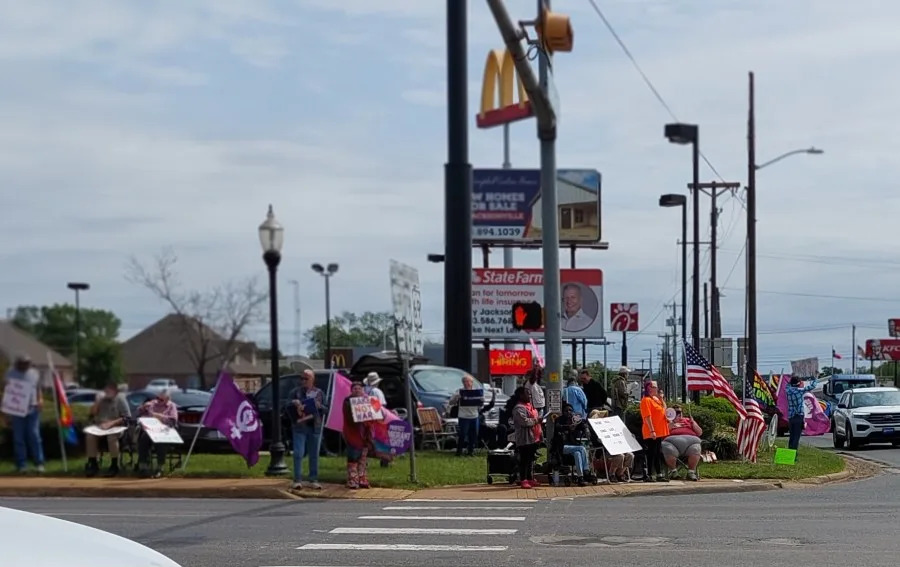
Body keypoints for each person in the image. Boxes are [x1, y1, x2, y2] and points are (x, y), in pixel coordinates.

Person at [2, 354, 45, 473]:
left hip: (32, 408)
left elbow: (38, 388)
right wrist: (5, 411)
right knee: (19, 438)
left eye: (27, 363)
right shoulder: (10, 373)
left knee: (34, 435)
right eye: (22, 363)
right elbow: (6, 390)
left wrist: (40, 399)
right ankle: (21, 464)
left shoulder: (34, 373)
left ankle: (39, 463)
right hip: (17, 409)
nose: (25, 366)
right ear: (17, 363)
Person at [288, 369, 326, 490]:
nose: (303, 381)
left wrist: (319, 406)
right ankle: (297, 480)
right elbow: (286, 406)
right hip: (300, 426)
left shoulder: (319, 393)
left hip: (315, 426)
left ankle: (313, 479)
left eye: (306, 378)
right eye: (302, 378)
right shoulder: (295, 392)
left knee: (314, 454)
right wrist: (293, 403)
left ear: (312, 380)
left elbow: (326, 409)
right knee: (298, 453)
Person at [85, 382, 131, 477]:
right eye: (105, 390)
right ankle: (93, 464)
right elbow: (92, 414)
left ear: (114, 391)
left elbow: (127, 417)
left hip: (116, 426)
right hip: (101, 426)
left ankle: (114, 465)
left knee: (111, 438)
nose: (106, 392)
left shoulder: (120, 399)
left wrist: (111, 423)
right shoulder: (102, 400)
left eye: (108, 390)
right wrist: (97, 402)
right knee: (90, 436)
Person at [136, 388, 178, 478]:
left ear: (167, 399)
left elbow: (173, 420)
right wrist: (143, 407)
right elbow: (139, 411)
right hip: (150, 429)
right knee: (143, 439)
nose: (158, 401)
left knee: (161, 442)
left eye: (161, 400)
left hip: (164, 430)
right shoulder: (152, 404)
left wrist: (161, 417)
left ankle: (160, 468)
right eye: (158, 398)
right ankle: (143, 467)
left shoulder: (171, 406)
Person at [512, 386, 542, 489]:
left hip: (534, 437)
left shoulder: (530, 406)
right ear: (521, 395)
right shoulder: (518, 408)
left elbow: (535, 417)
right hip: (525, 438)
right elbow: (524, 421)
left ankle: (530, 478)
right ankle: (523, 479)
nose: (529, 396)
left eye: (530, 394)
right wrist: (536, 421)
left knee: (530, 459)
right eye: (527, 394)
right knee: (524, 459)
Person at [342, 380, 371, 489]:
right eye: (355, 389)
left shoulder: (367, 400)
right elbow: (350, 418)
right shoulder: (347, 401)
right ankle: (353, 480)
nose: (357, 390)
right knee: (353, 456)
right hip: (352, 433)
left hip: (364, 433)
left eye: (359, 388)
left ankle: (362, 478)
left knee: (363, 457)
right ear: (351, 390)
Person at [662, 404, 703, 481]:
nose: (679, 414)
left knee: (696, 448)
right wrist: (671, 424)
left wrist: (693, 423)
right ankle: (674, 472)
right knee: (667, 447)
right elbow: (662, 433)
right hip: (672, 443)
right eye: (676, 412)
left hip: (691, 442)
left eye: (680, 412)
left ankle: (691, 472)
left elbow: (700, 432)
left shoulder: (688, 420)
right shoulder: (667, 421)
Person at [448, 374, 485, 457]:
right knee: (463, 434)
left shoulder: (477, 392)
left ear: (472, 383)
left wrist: (482, 401)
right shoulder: (459, 391)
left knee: (473, 435)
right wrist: (456, 398)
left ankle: (470, 452)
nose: (467, 383)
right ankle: (459, 452)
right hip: (463, 417)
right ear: (463, 383)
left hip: (474, 416)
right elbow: (451, 402)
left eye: (469, 381)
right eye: (465, 381)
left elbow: (480, 406)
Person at [639, 381, 669, 483]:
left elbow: (664, 409)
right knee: (651, 453)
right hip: (651, 431)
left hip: (659, 431)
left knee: (657, 452)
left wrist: (661, 398)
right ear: (649, 388)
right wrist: (652, 430)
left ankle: (659, 474)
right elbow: (647, 416)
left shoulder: (655, 399)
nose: (657, 389)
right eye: (655, 387)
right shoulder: (646, 400)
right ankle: (649, 474)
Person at [554, 403, 589, 485]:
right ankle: (586, 469)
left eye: (570, 410)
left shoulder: (575, 419)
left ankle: (581, 477)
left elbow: (583, 423)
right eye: (566, 411)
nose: (568, 412)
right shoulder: (559, 420)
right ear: (563, 412)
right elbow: (559, 427)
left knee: (577, 454)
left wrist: (586, 429)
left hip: (573, 446)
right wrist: (568, 427)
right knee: (582, 448)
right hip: (562, 446)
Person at [787, 375, 818, 450]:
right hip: (799, 416)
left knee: (792, 436)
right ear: (798, 383)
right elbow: (812, 386)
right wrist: (816, 378)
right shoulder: (800, 391)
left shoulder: (787, 390)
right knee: (796, 437)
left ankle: (789, 452)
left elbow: (788, 384)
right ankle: (793, 453)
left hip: (791, 416)